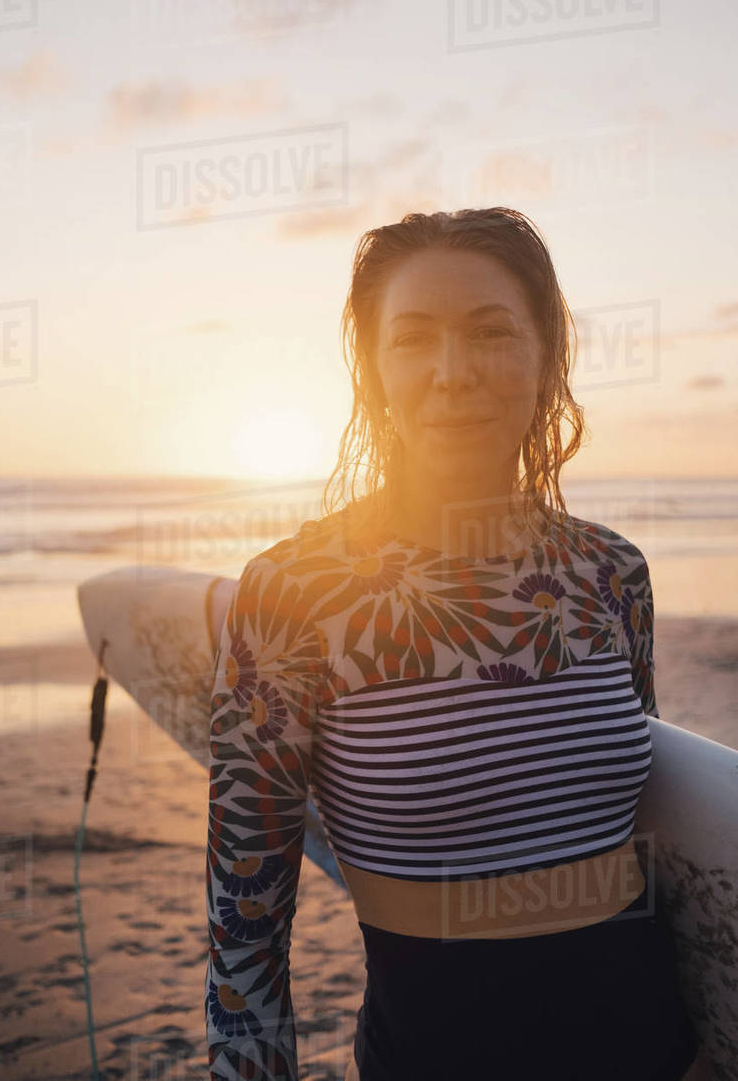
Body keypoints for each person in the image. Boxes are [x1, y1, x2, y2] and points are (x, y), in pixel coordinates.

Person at [205, 208, 706, 1080]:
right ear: (374, 371)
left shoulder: (609, 574)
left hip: (650, 1050)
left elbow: (645, 842)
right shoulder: (297, 593)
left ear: (546, 355)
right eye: (413, 340)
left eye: (491, 332)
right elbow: (246, 918)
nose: (451, 372)